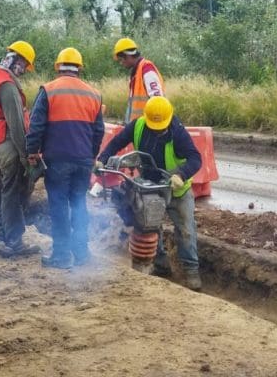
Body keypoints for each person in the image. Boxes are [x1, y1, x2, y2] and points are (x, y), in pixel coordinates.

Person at [97, 96, 203, 290]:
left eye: (161, 126)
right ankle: (161, 265)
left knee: (186, 231)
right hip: (150, 187)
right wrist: (102, 159)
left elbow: (196, 158)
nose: (158, 129)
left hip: (176, 190)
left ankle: (191, 272)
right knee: (150, 226)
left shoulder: (177, 132)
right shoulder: (138, 126)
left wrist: (181, 174)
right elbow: (116, 143)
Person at [25, 48, 104, 269]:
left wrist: (32, 152)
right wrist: (91, 156)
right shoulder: (94, 94)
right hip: (83, 161)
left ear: (58, 66)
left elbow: (36, 125)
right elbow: (98, 131)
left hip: (57, 160)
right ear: (79, 68)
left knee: (59, 206)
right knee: (79, 204)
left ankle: (61, 256)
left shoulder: (48, 90)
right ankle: (81, 253)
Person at [0, 41, 41, 258]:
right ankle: (13, 240)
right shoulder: (6, 85)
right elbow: (16, 126)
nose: (24, 71)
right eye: (25, 66)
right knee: (15, 189)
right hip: (9, 144)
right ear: (18, 60)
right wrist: (27, 157)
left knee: (13, 189)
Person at [113, 37, 165, 122]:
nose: (121, 63)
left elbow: (157, 101)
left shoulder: (146, 69)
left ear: (128, 56)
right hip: (140, 126)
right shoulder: (136, 73)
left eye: (121, 60)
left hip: (148, 127)